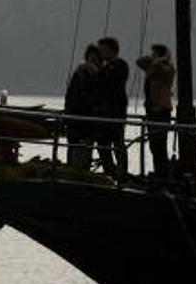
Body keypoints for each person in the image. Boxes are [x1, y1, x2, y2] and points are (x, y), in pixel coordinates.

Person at [136, 44, 175, 176]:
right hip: (152, 110)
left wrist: (161, 60)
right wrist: (155, 60)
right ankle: (159, 171)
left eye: (154, 54)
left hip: (161, 110)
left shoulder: (167, 68)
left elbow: (162, 70)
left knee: (160, 144)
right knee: (154, 145)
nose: (152, 57)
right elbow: (139, 61)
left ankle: (163, 173)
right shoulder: (153, 67)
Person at [96, 37, 130, 178]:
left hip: (115, 111)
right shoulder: (105, 67)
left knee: (117, 143)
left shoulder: (120, 65)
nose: (100, 54)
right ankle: (109, 171)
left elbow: (109, 82)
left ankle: (121, 172)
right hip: (105, 112)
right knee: (103, 144)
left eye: (102, 50)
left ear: (110, 50)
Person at [65, 46, 103, 169]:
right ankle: (76, 172)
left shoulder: (91, 74)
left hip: (84, 122)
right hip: (79, 121)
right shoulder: (83, 72)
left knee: (81, 152)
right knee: (78, 151)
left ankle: (77, 171)